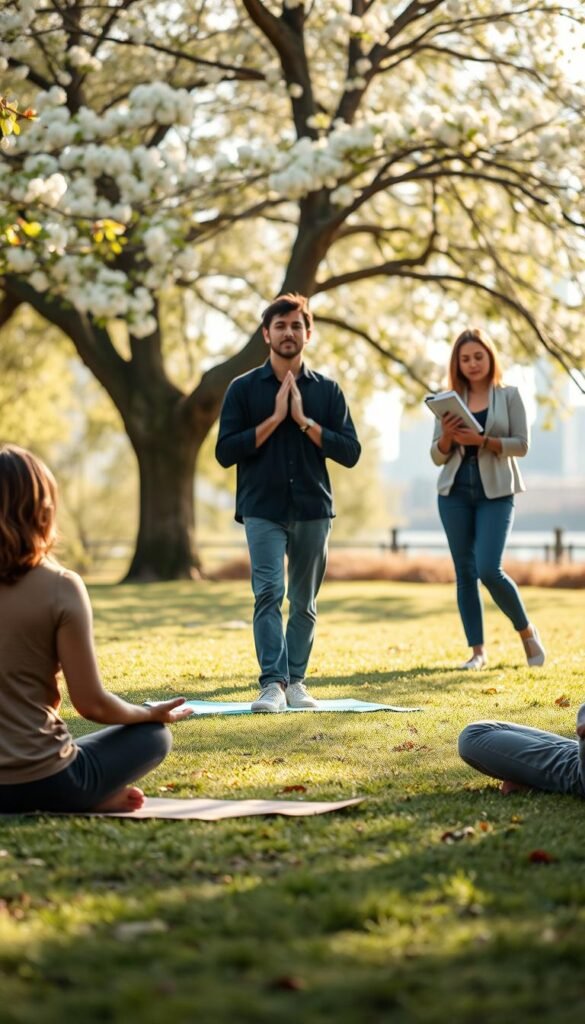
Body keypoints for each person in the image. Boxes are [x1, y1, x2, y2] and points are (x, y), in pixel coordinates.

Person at [0, 444, 193, 815]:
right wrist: (149, 714)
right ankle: (87, 796)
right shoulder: (61, 586)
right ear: (43, 511)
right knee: (153, 736)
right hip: (49, 781)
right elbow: (91, 704)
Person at [215, 293, 361, 713]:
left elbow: (350, 452)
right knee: (268, 593)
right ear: (266, 334)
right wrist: (275, 420)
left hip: (314, 508)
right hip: (262, 508)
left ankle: (296, 681)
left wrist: (303, 422)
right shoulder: (242, 389)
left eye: (296, 326)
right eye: (280, 326)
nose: (288, 332)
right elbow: (225, 452)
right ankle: (271, 685)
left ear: (308, 334)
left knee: (304, 602)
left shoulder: (328, 391)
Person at [430, 327, 545, 670]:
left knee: (488, 569)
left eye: (478, 356)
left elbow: (522, 445)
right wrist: (449, 437)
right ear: (457, 363)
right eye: (465, 358)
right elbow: (437, 456)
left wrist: (483, 441)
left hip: (496, 491)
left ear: (490, 357)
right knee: (465, 573)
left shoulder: (509, 395)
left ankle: (526, 631)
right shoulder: (447, 398)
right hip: (454, 492)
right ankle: (477, 653)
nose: (472, 363)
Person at [459, 709, 585, 797]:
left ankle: (540, 783)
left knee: (473, 735)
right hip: (576, 749)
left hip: (577, 769)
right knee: (488, 728)